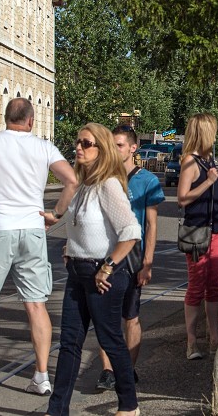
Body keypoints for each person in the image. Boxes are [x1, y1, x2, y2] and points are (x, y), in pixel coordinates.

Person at [0, 98, 77, 397]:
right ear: (31, 121)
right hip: (32, 228)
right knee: (36, 304)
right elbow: (71, 180)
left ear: (5, 118)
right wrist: (55, 213)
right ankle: (42, 376)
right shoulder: (44, 147)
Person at [48, 123, 141, 416]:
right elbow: (82, 227)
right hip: (78, 272)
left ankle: (129, 405)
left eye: (86, 143)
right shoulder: (82, 183)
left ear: (101, 150)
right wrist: (70, 249)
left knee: (110, 340)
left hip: (104, 276)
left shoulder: (108, 184)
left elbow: (131, 231)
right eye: (78, 142)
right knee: (69, 344)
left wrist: (108, 267)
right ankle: (57, 409)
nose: (79, 147)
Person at [96, 124, 166, 391]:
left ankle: (128, 368)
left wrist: (147, 262)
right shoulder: (102, 177)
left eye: (119, 145)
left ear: (133, 148)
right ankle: (107, 370)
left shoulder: (147, 180)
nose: (114, 150)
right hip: (105, 255)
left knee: (131, 316)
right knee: (105, 317)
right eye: (111, 145)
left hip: (133, 257)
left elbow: (152, 224)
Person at [177, 113, 218, 359]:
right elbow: (182, 198)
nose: (216, 135)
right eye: (213, 130)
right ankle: (192, 341)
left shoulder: (210, 160)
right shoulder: (190, 161)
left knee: (215, 286)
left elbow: (217, 201)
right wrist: (208, 182)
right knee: (197, 285)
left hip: (217, 231)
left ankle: (215, 338)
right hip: (197, 233)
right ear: (205, 132)